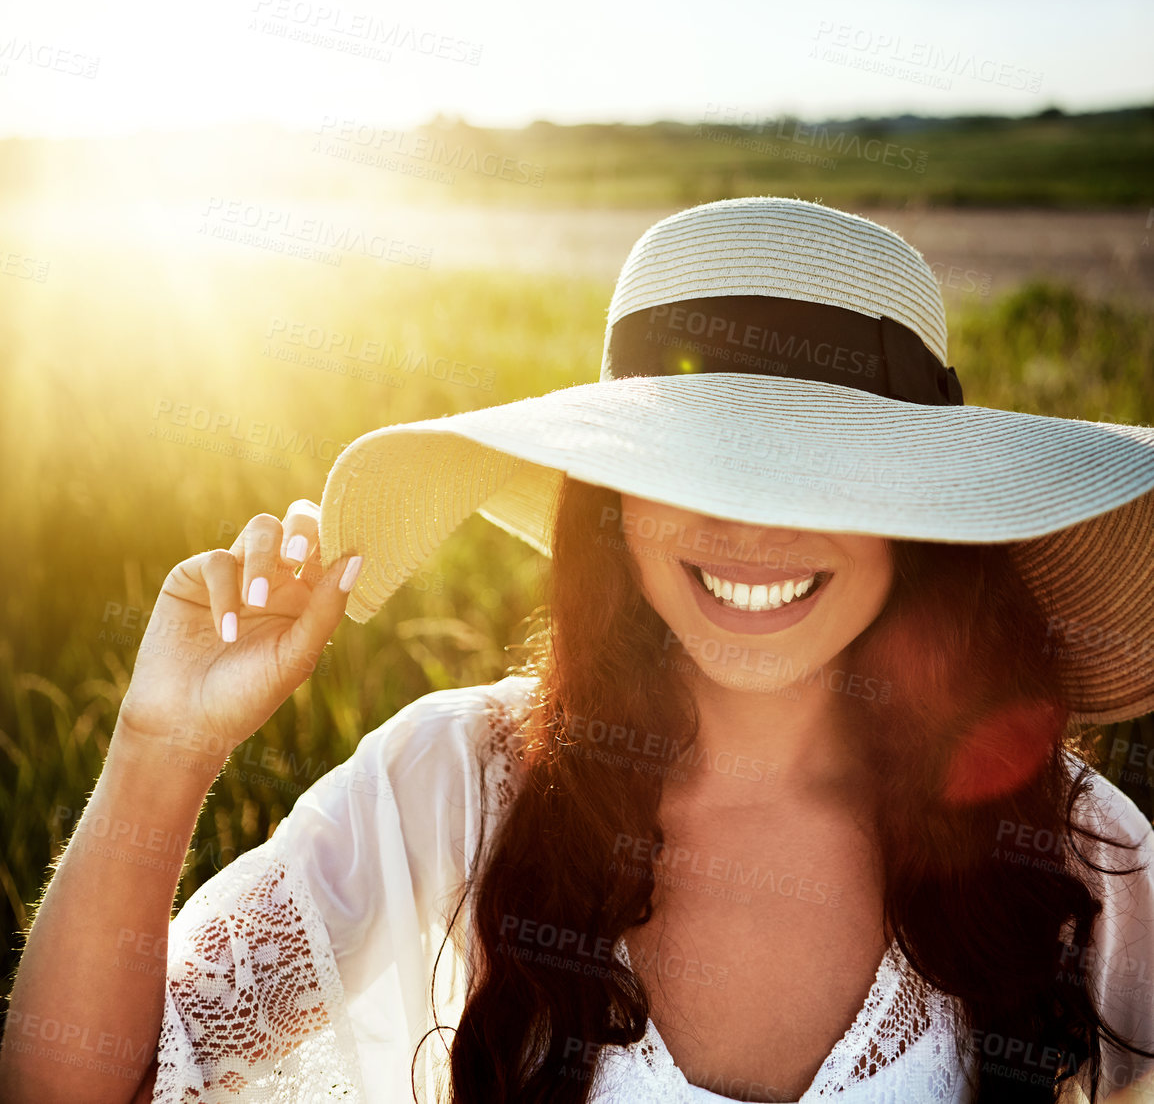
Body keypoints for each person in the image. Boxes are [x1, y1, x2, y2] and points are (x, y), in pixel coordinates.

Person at [4, 196, 1154, 1104]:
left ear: (923, 518)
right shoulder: (454, 783)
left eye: (823, 472)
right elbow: (75, 1087)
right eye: (685, 469)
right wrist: (161, 745)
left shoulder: (1074, 848)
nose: (746, 532)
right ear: (610, 499)